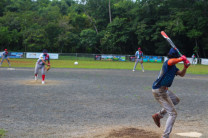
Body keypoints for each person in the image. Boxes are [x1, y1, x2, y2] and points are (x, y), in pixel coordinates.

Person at [151, 48, 190, 138]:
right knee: (173, 114)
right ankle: (165, 136)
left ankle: (158, 115)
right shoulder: (168, 63)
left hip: (164, 90)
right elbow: (171, 61)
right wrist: (182, 59)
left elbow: (181, 74)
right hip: (159, 90)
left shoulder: (173, 67)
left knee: (175, 100)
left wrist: (185, 67)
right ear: (175, 57)